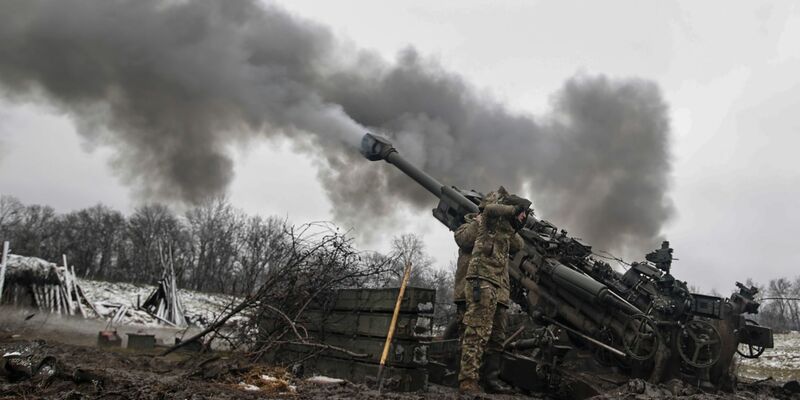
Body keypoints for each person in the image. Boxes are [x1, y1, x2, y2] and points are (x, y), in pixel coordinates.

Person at [459, 187, 529, 394]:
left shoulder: (505, 231)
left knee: (497, 337)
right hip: (482, 279)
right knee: (477, 330)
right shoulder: (487, 221)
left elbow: (520, 243)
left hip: (498, 285)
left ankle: (490, 379)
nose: (524, 216)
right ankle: (468, 381)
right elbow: (489, 209)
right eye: (522, 211)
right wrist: (514, 208)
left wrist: (516, 220)